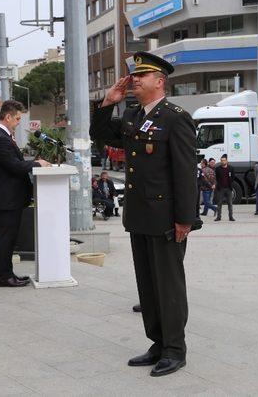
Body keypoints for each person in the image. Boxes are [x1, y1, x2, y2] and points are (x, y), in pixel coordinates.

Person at [90, 51, 197, 377]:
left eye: (142, 75)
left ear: (160, 81)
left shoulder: (176, 117)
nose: (135, 79)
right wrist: (108, 102)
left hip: (166, 218)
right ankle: (157, 343)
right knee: (148, 287)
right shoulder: (135, 115)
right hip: (139, 215)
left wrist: (185, 219)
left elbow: (184, 172)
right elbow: (102, 134)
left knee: (169, 287)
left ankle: (175, 349)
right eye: (134, 75)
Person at [0, 100, 51, 287]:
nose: (18, 122)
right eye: (17, 118)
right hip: (7, 197)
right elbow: (14, 166)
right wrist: (38, 163)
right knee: (6, 239)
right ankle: (4, 276)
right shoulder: (0, 138)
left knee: (8, 237)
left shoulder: (2, 135)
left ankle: (8, 274)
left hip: (9, 197)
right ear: (7, 117)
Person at [215, 154, 236, 222]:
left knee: (230, 203)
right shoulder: (218, 169)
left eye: (224, 160)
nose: (222, 162)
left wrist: (230, 185)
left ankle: (231, 217)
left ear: (227, 161)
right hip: (220, 189)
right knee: (219, 203)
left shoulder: (231, 168)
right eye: (221, 160)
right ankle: (218, 217)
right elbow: (217, 178)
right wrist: (218, 185)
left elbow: (233, 177)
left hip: (228, 188)